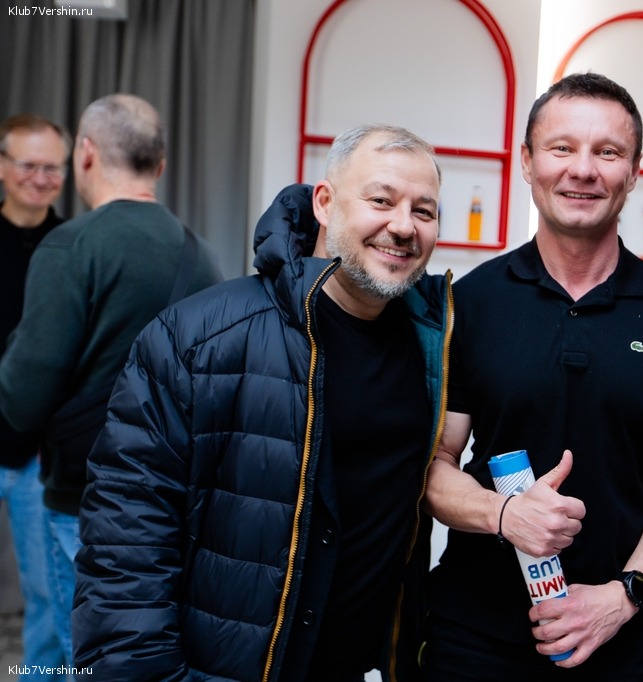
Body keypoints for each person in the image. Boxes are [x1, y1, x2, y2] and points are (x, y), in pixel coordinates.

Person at [73, 124, 452, 681]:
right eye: (381, 200)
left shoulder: (430, 347)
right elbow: (126, 536)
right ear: (325, 203)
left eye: (424, 211)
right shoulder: (200, 337)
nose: (403, 226)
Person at [421, 73, 643, 681]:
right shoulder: (470, 303)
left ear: (632, 172)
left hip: (615, 641)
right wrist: (504, 515)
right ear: (528, 162)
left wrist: (625, 595)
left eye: (607, 152)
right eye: (562, 148)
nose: (583, 170)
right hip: (472, 637)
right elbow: (434, 463)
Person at [0, 94, 222, 667]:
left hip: (81, 493)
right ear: (160, 165)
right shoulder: (201, 256)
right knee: (131, 655)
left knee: (79, 649)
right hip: (168, 497)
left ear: (86, 155)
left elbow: (22, 400)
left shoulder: (71, 245)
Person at [0, 113, 71, 679]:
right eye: (29, 165)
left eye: (53, 167)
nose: (41, 178)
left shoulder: (74, 244)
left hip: (38, 453)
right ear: (3, 167)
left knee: (49, 592)